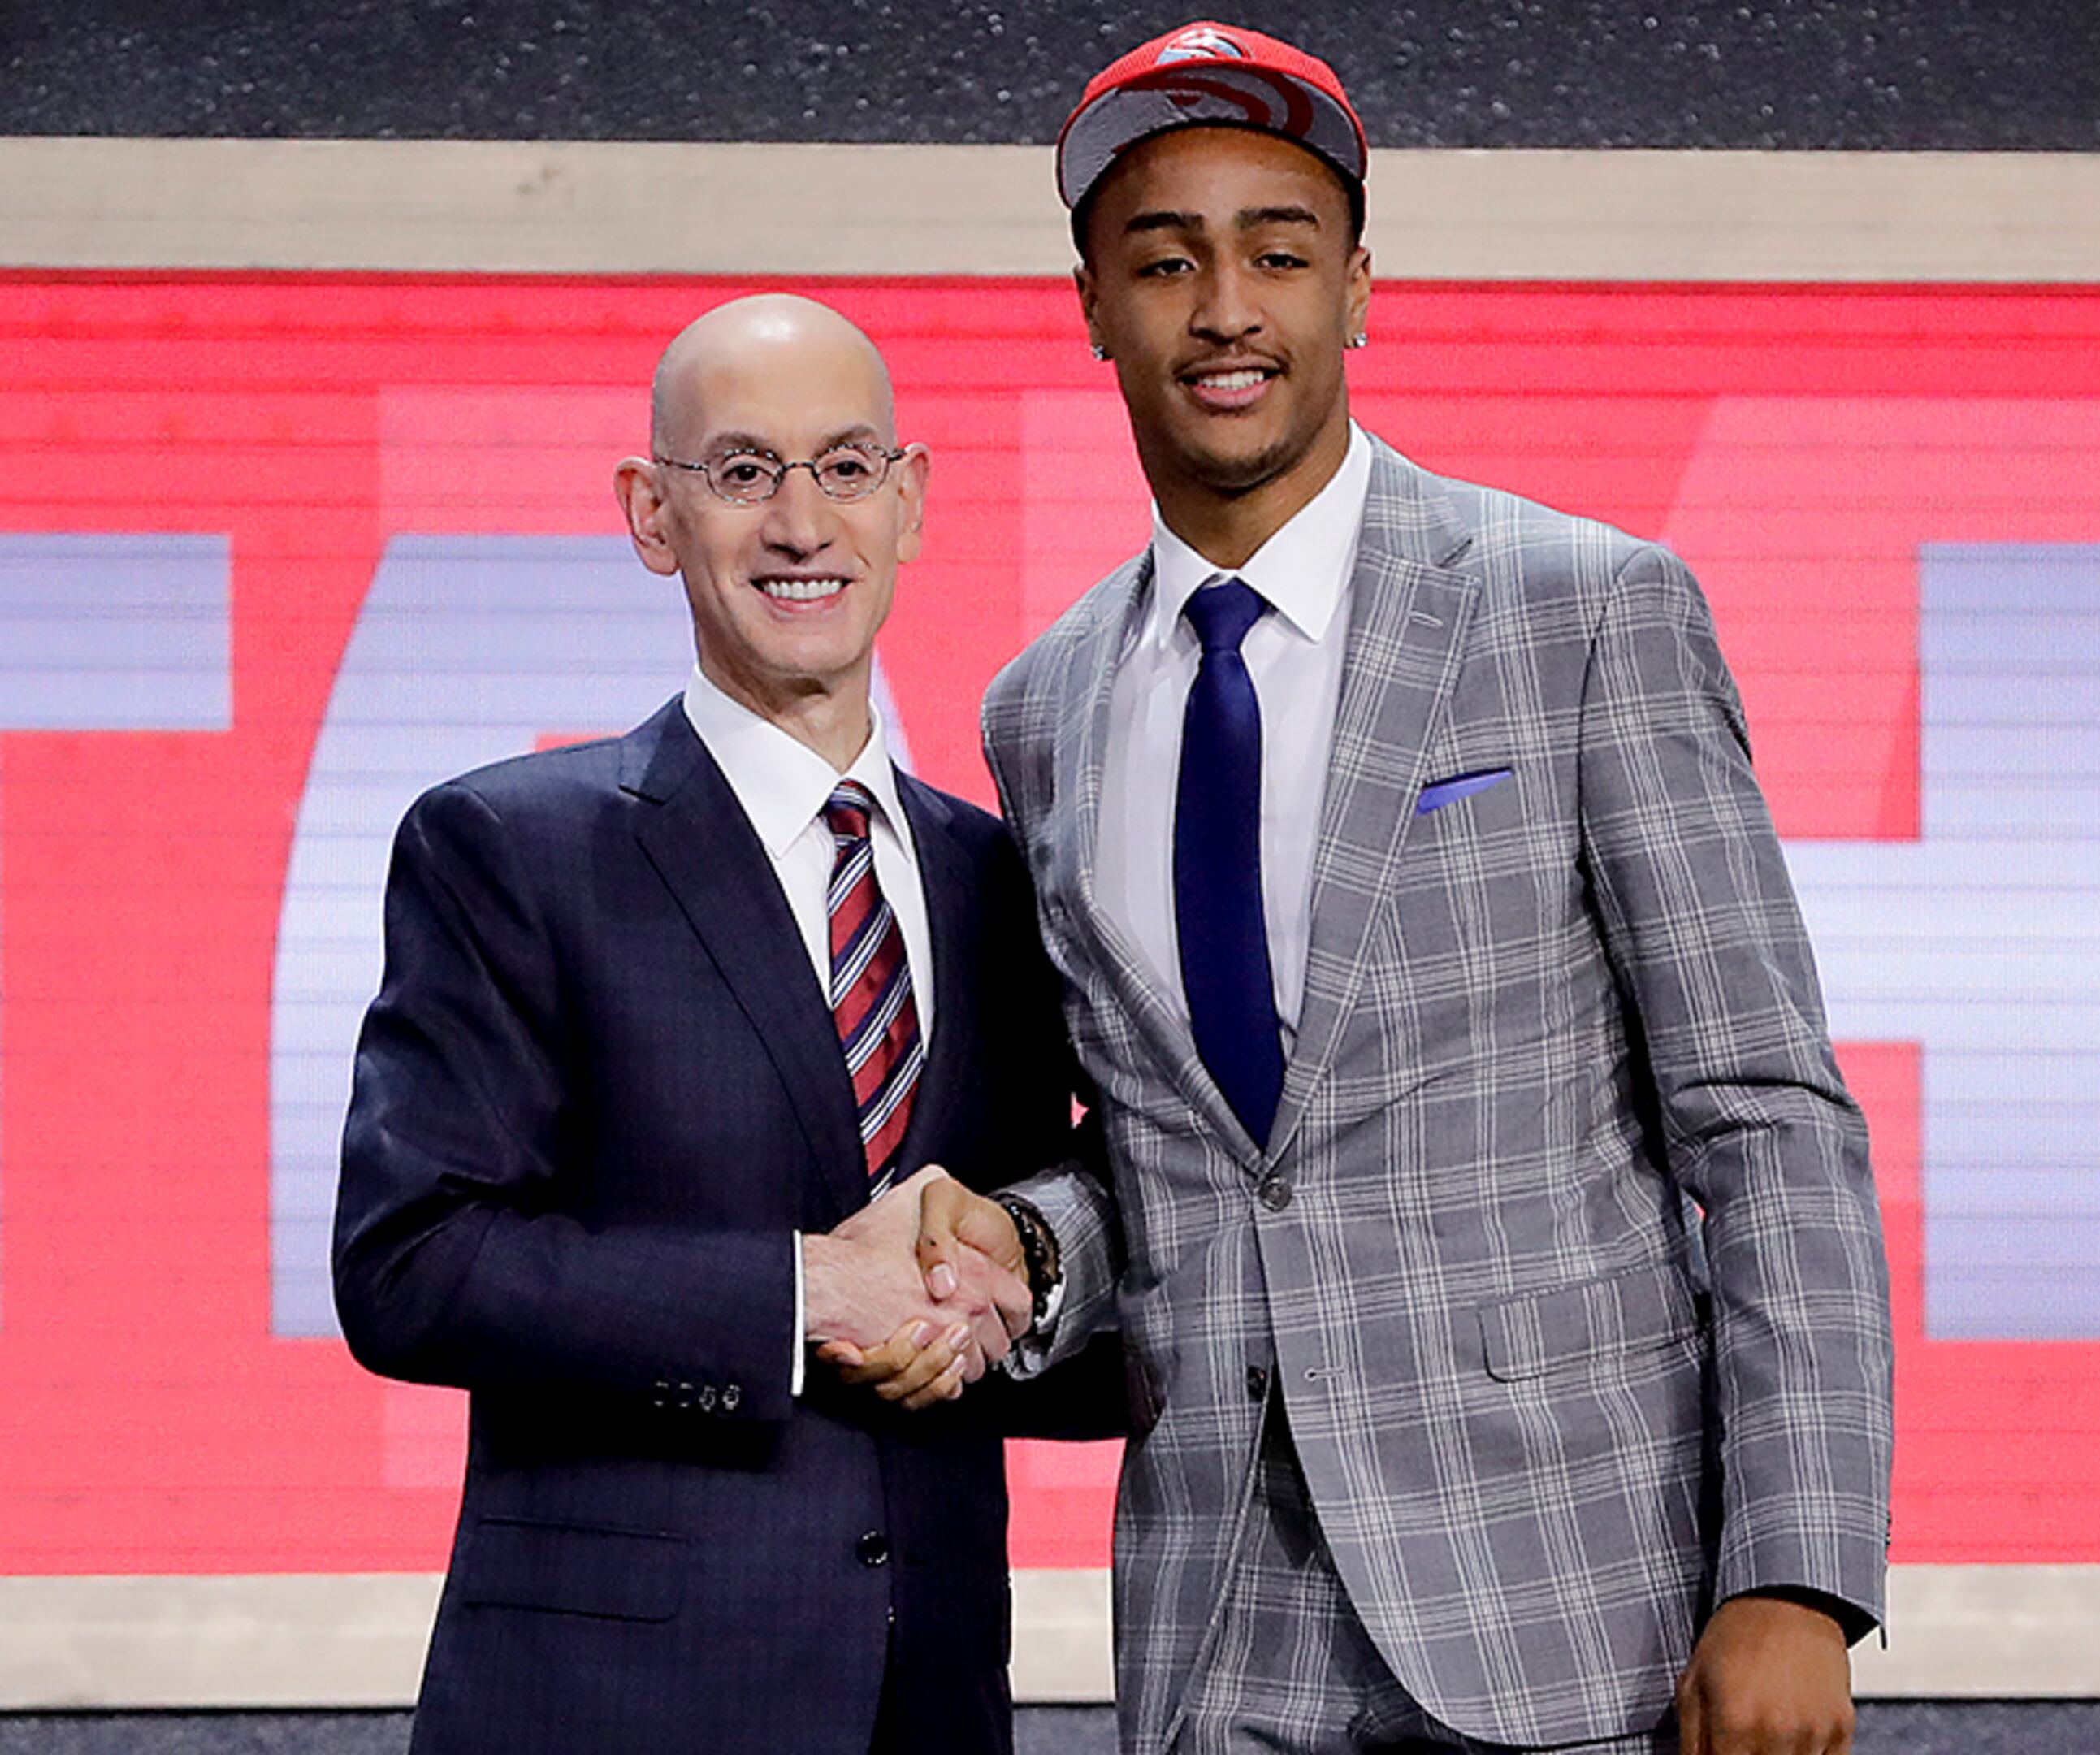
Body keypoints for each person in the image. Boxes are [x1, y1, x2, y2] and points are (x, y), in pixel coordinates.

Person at [935, 23, 1894, 1755]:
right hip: (1216, 1616)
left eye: (1278, 252)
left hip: (1571, 1603)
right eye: (1165, 260)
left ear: (1359, 288)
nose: (1226, 305)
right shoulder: (1044, 708)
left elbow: (1764, 1116)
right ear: (1090, 304)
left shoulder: (1581, 609)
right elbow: (1167, 1159)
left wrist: (1798, 1576)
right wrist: (1025, 1245)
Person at [332, 292, 1111, 1755]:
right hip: (606, 1713)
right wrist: (802, 1301)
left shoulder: (1008, 879)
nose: (802, 523)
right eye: (744, 471)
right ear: (651, 513)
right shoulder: (507, 845)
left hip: (931, 1707)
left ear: (913, 499)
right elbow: (410, 1266)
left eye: (846, 466)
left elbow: (1048, 1285)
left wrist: (1013, 1289)